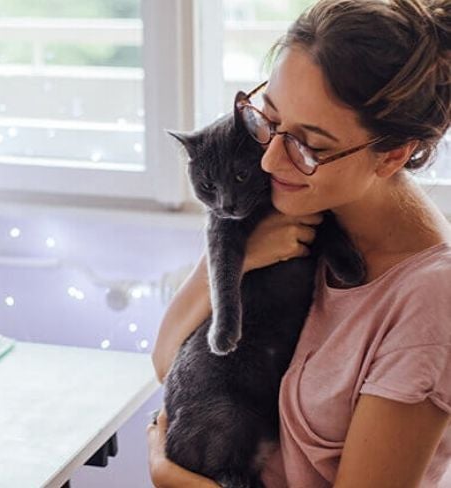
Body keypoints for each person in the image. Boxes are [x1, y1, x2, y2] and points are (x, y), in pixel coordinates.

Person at [147, 0, 451, 486]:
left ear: (392, 153)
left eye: (310, 145)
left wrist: (174, 480)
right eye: (266, 118)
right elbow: (167, 359)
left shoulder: (430, 302)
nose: (269, 160)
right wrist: (246, 256)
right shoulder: (290, 205)